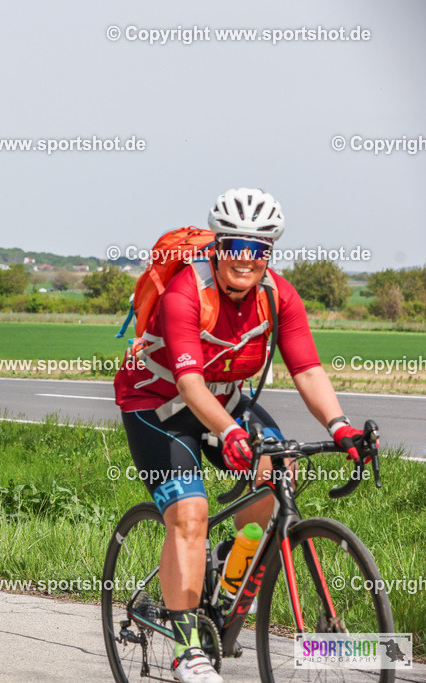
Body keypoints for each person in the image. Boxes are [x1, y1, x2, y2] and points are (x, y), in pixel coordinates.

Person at [114, 188, 369, 683]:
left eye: (259, 249)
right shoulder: (189, 290)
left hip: (224, 400)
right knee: (189, 514)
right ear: (218, 246)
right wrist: (229, 433)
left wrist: (341, 428)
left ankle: (232, 569)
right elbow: (188, 384)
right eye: (235, 246)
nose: (245, 259)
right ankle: (189, 651)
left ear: (269, 253)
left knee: (278, 477)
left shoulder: (279, 294)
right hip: (156, 405)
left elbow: (309, 369)